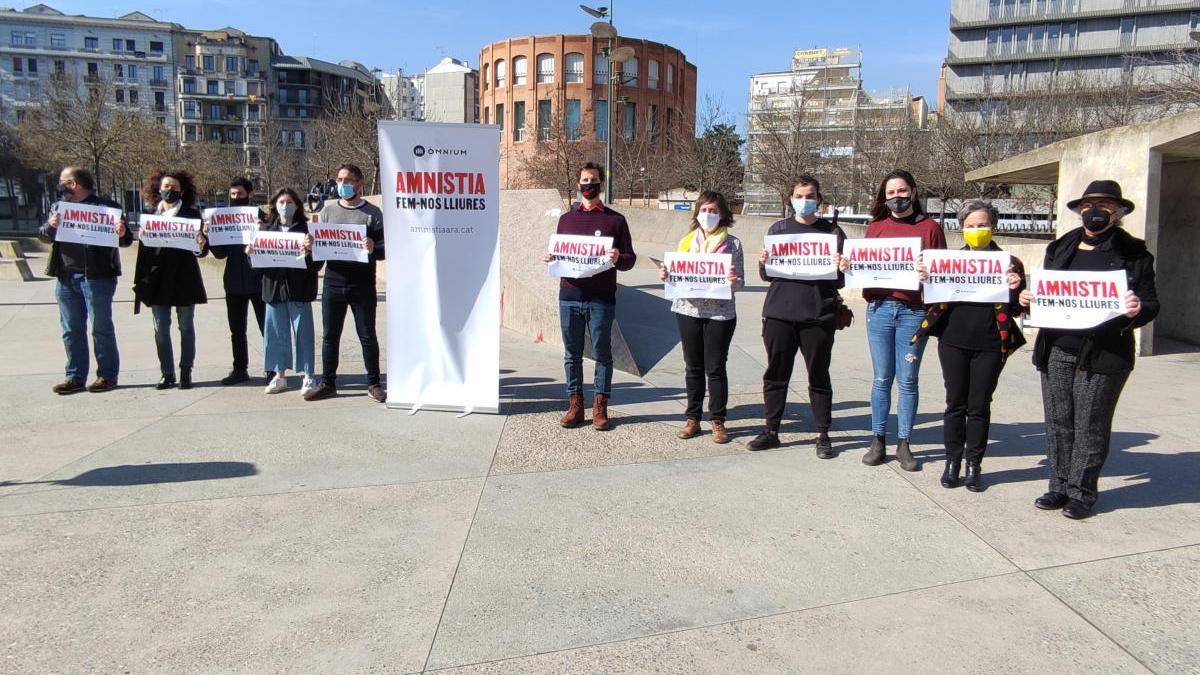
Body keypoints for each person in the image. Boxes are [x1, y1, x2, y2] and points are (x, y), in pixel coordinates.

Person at [1020, 180, 1158, 520]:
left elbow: (1151, 304)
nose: (1095, 212)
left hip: (1103, 352)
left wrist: (1135, 308)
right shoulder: (1060, 248)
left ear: (1120, 212)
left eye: (1105, 205)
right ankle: (1058, 485)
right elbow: (1046, 294)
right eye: (1088, 205)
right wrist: (1027, 300)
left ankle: (1082, 492)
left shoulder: (1135, 253)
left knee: (1090, 423)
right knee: (1058, 420)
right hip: (1057, 348)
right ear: (1080, 210)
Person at [911, 200, 1026, 491]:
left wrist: (1016, 289)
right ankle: (953, 461)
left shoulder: (1010, 263)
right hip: (953, 340)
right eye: (971, 226)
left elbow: (1017, 310)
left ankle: (974, 464)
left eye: (983, 225)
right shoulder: (948, 261)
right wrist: (925, 279)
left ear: (994, 226)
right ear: (962, 228)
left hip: (990, 342)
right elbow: (932, 299)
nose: (977, 230)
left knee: (979, 406)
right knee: (954, 404)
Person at [848, 169, 947, 470]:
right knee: (881, 378)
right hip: (879, 310)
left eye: (902, 191)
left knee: (907, 380)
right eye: (890, 193)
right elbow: (862, 266)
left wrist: (929, 274)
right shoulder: (876, 228)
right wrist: (849, 265)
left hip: (913, 312)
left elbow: (942, 275)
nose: (896, 197)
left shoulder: (930, 228)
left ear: (914, 192)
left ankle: (904, 442)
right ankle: (878, 438)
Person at [747, 176, 848, 456]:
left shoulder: (833, 232)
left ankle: (822, 433)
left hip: (818, 315)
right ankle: (771, 430)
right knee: (776, 374)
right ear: (790, 199)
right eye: (799, 195)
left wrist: (843, 267)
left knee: (818, 375)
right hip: (780, 313)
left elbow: (839, 281)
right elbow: (767, 275)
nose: (805, 200)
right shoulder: (778, 229)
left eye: (810, 195)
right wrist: (763, 262)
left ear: (819, 199)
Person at [541, 162, 636, 430]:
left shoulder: (615, 220)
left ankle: (600, 406)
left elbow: (630, 258)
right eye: (584, 179)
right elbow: (561, 254)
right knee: (571, 354)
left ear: (600, 184)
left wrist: (619, 258)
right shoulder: (566, 219)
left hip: (600, 299)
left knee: (602, 354)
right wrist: (552, 257)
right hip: (569, 295)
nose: (588, 184)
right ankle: (575, 404)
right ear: (578, 184)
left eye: (592, 179)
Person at [39, 166, 133, 394]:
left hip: (97, 276)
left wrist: (122, 233)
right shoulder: (58, 208)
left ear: (74, 184)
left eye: (62, 181)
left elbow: (126, 240)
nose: (59, 185)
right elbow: (42, 235)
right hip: (66, 276)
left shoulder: (107, 208)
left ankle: (107, 376)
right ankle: (75, 376)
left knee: (101, 328)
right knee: (71, 329)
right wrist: (50, 225)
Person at [658, 191, 743, 444]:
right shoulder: (685, 242)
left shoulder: (733, 244)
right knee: (693, 367)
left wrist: (734, 280)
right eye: (704, 210)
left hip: (720, 313)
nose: (709, 215)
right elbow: (676, 274)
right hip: (688, 311)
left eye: (714, 211)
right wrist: (666, 275)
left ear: (724, 214)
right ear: (697, 213)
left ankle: (718, 420)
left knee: (715, 368)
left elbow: (741, 282)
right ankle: (693, 418)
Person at [303, 163, 386, 403]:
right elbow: (319, 255)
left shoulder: (373, 213)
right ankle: (328, 383)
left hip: (362, 286)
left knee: (367, 335)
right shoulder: (328, 212)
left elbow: (384, 250)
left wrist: (373, 247)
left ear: (360, 183)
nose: (342, 184)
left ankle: (374, 383)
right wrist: (310, 248)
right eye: (339, 179)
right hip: (333, 284)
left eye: (348, 180)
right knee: (330, 336)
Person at [133, 170, 209, 390]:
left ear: (183, 192)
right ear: (158, 188)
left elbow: (201, 250)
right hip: (157, 280)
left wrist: (201, 244)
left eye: (174, 188)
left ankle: (186, 371)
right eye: (166, 186)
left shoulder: (192, 216)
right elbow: (144, 253)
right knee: (160, 328)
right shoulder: (150, 216)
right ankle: (167, 373)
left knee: (186, 327)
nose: (170, 191)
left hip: (184, 278)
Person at [252, 188, 322, 396]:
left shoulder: (307, 231)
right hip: (273, 290)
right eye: (281, 202)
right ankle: (279, 375)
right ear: (274, 205)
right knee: (275, 335)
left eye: (290, 202)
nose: (285, 206)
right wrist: (251, 253)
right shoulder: (265, 231)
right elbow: (257, 266)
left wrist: (311, 251)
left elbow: (316, 265)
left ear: (297, 206)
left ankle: (308, 375)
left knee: (304, 334)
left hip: (299, 290)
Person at [207, 177, 266, 385]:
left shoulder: (262, 217)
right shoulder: (224, 219)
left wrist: (263, 229)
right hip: (233, 283)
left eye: (239, 194)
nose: (235, 198)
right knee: (237, 330)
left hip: (258, 282)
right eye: (232, 194)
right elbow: (220, 254)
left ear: (250, 195)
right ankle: (240, 369)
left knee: (265, 328)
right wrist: (210, 237)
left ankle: (272, 369)